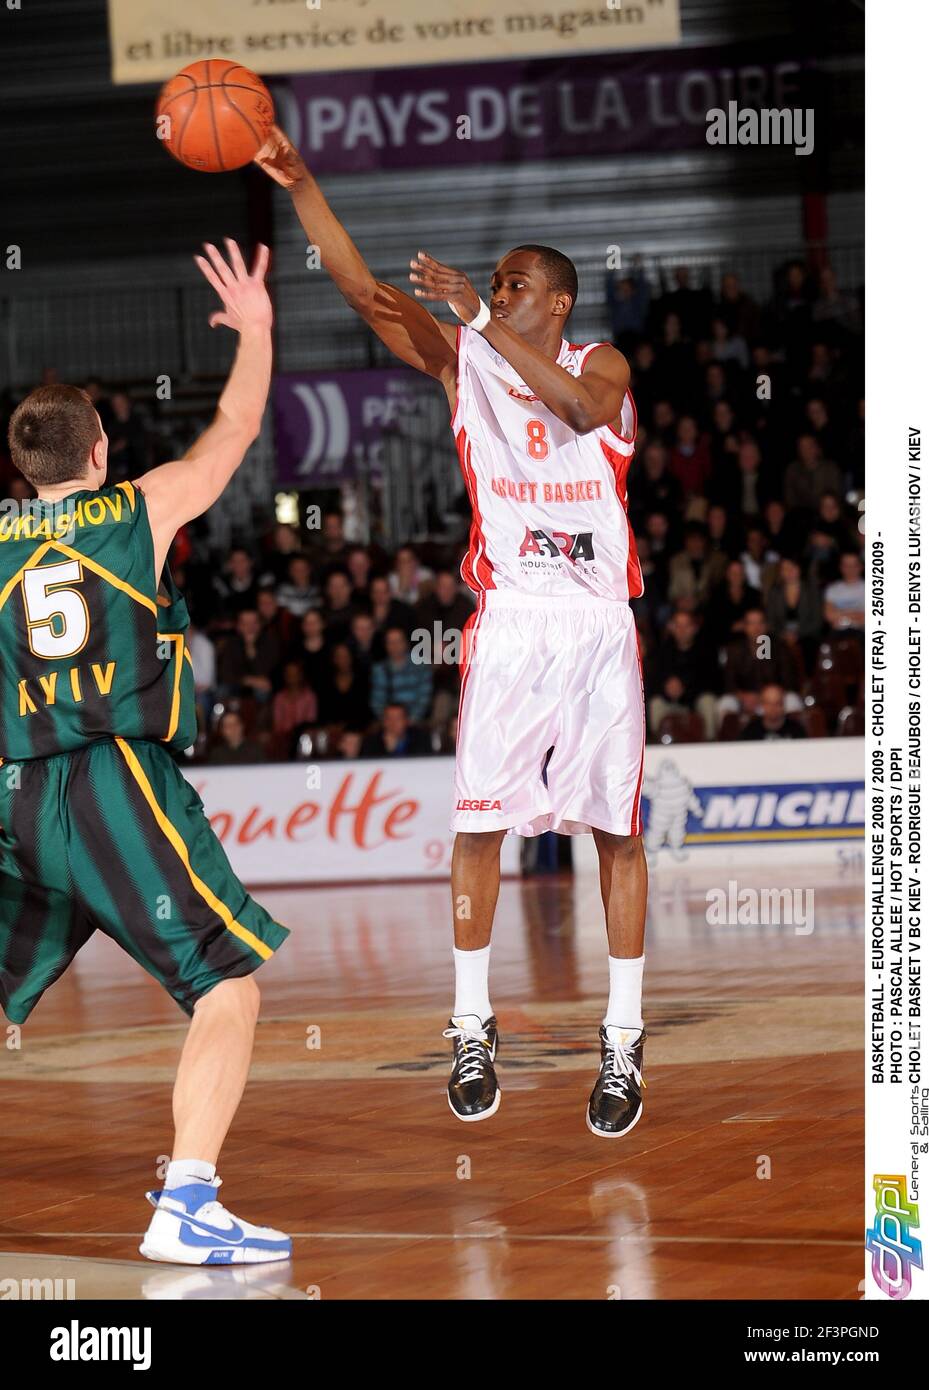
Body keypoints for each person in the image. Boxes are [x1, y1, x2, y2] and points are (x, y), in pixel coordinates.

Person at [256, 127, 649, 1138]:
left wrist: (482, 315)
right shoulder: (463, 358)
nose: (495, 288)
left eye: (515, 284)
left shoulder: (598, 360)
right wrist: (303, 186)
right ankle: (470, 1021)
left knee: (616, 830)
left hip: (598, 622)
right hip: (513, 619)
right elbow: (363, 294)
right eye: (495, 284)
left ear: (552, 301)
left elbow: (571, 410)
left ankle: (622, 1032)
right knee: (477, 824)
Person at [0, 241, 291, 1263]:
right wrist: (253, 327)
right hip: (111, 782)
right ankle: (189, 1201)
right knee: (228, 986)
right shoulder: (134, 511)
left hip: (13, 794)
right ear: (97, 455)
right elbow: (236, 426)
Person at [738, 684, 808, 741]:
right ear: (762, 705)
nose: (773, 708)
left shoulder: (796, 730)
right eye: (768, 703)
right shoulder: (750, 731)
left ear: (783, 705)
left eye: (777, 703)